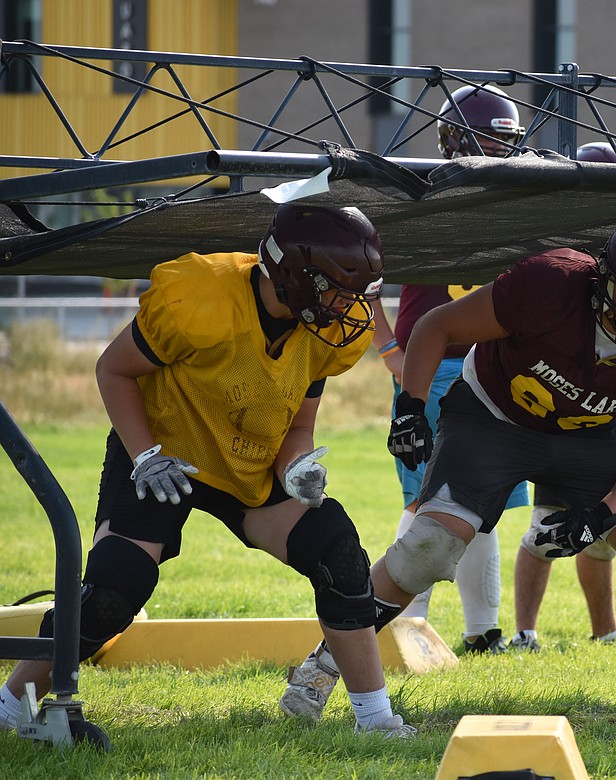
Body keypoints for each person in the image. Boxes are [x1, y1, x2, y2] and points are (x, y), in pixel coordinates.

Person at [287, 213, 616, 736]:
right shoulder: (550, 284)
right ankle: (324, 664)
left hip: (593, 436)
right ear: (604, 279)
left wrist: (600, 515)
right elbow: (435, 326)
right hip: (493, 418)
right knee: (428, 545)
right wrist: (410, 405)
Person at [0, 203, 415, 738]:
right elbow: (114, 368)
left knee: (338, 553)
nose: (351, 307)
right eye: (339, 290)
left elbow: (298, 422)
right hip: (164, 452)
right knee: (112, 592)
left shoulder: (321, 331)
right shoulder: (203, 294)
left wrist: (298, 467)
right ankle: (10, 705)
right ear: (295, 277)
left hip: (249, 459)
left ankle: (375, 719)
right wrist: (144, 455)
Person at [367, 82, 531, 656]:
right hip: (435, 372)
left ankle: (481, 633)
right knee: (426, 506)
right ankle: (398, 629)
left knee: (485, 507)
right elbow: (362, 273)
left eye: (509, 141)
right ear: (459, 137)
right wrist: (390, 350)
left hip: (496, 373)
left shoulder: (509, 203)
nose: (504, 150)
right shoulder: (419, 197)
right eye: (495, 138)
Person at [507, 140, 616, 653]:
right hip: (562, 405)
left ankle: (604, 630)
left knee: (606, 533)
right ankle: (524, 631)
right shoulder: (560, 265)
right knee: (547, 531)